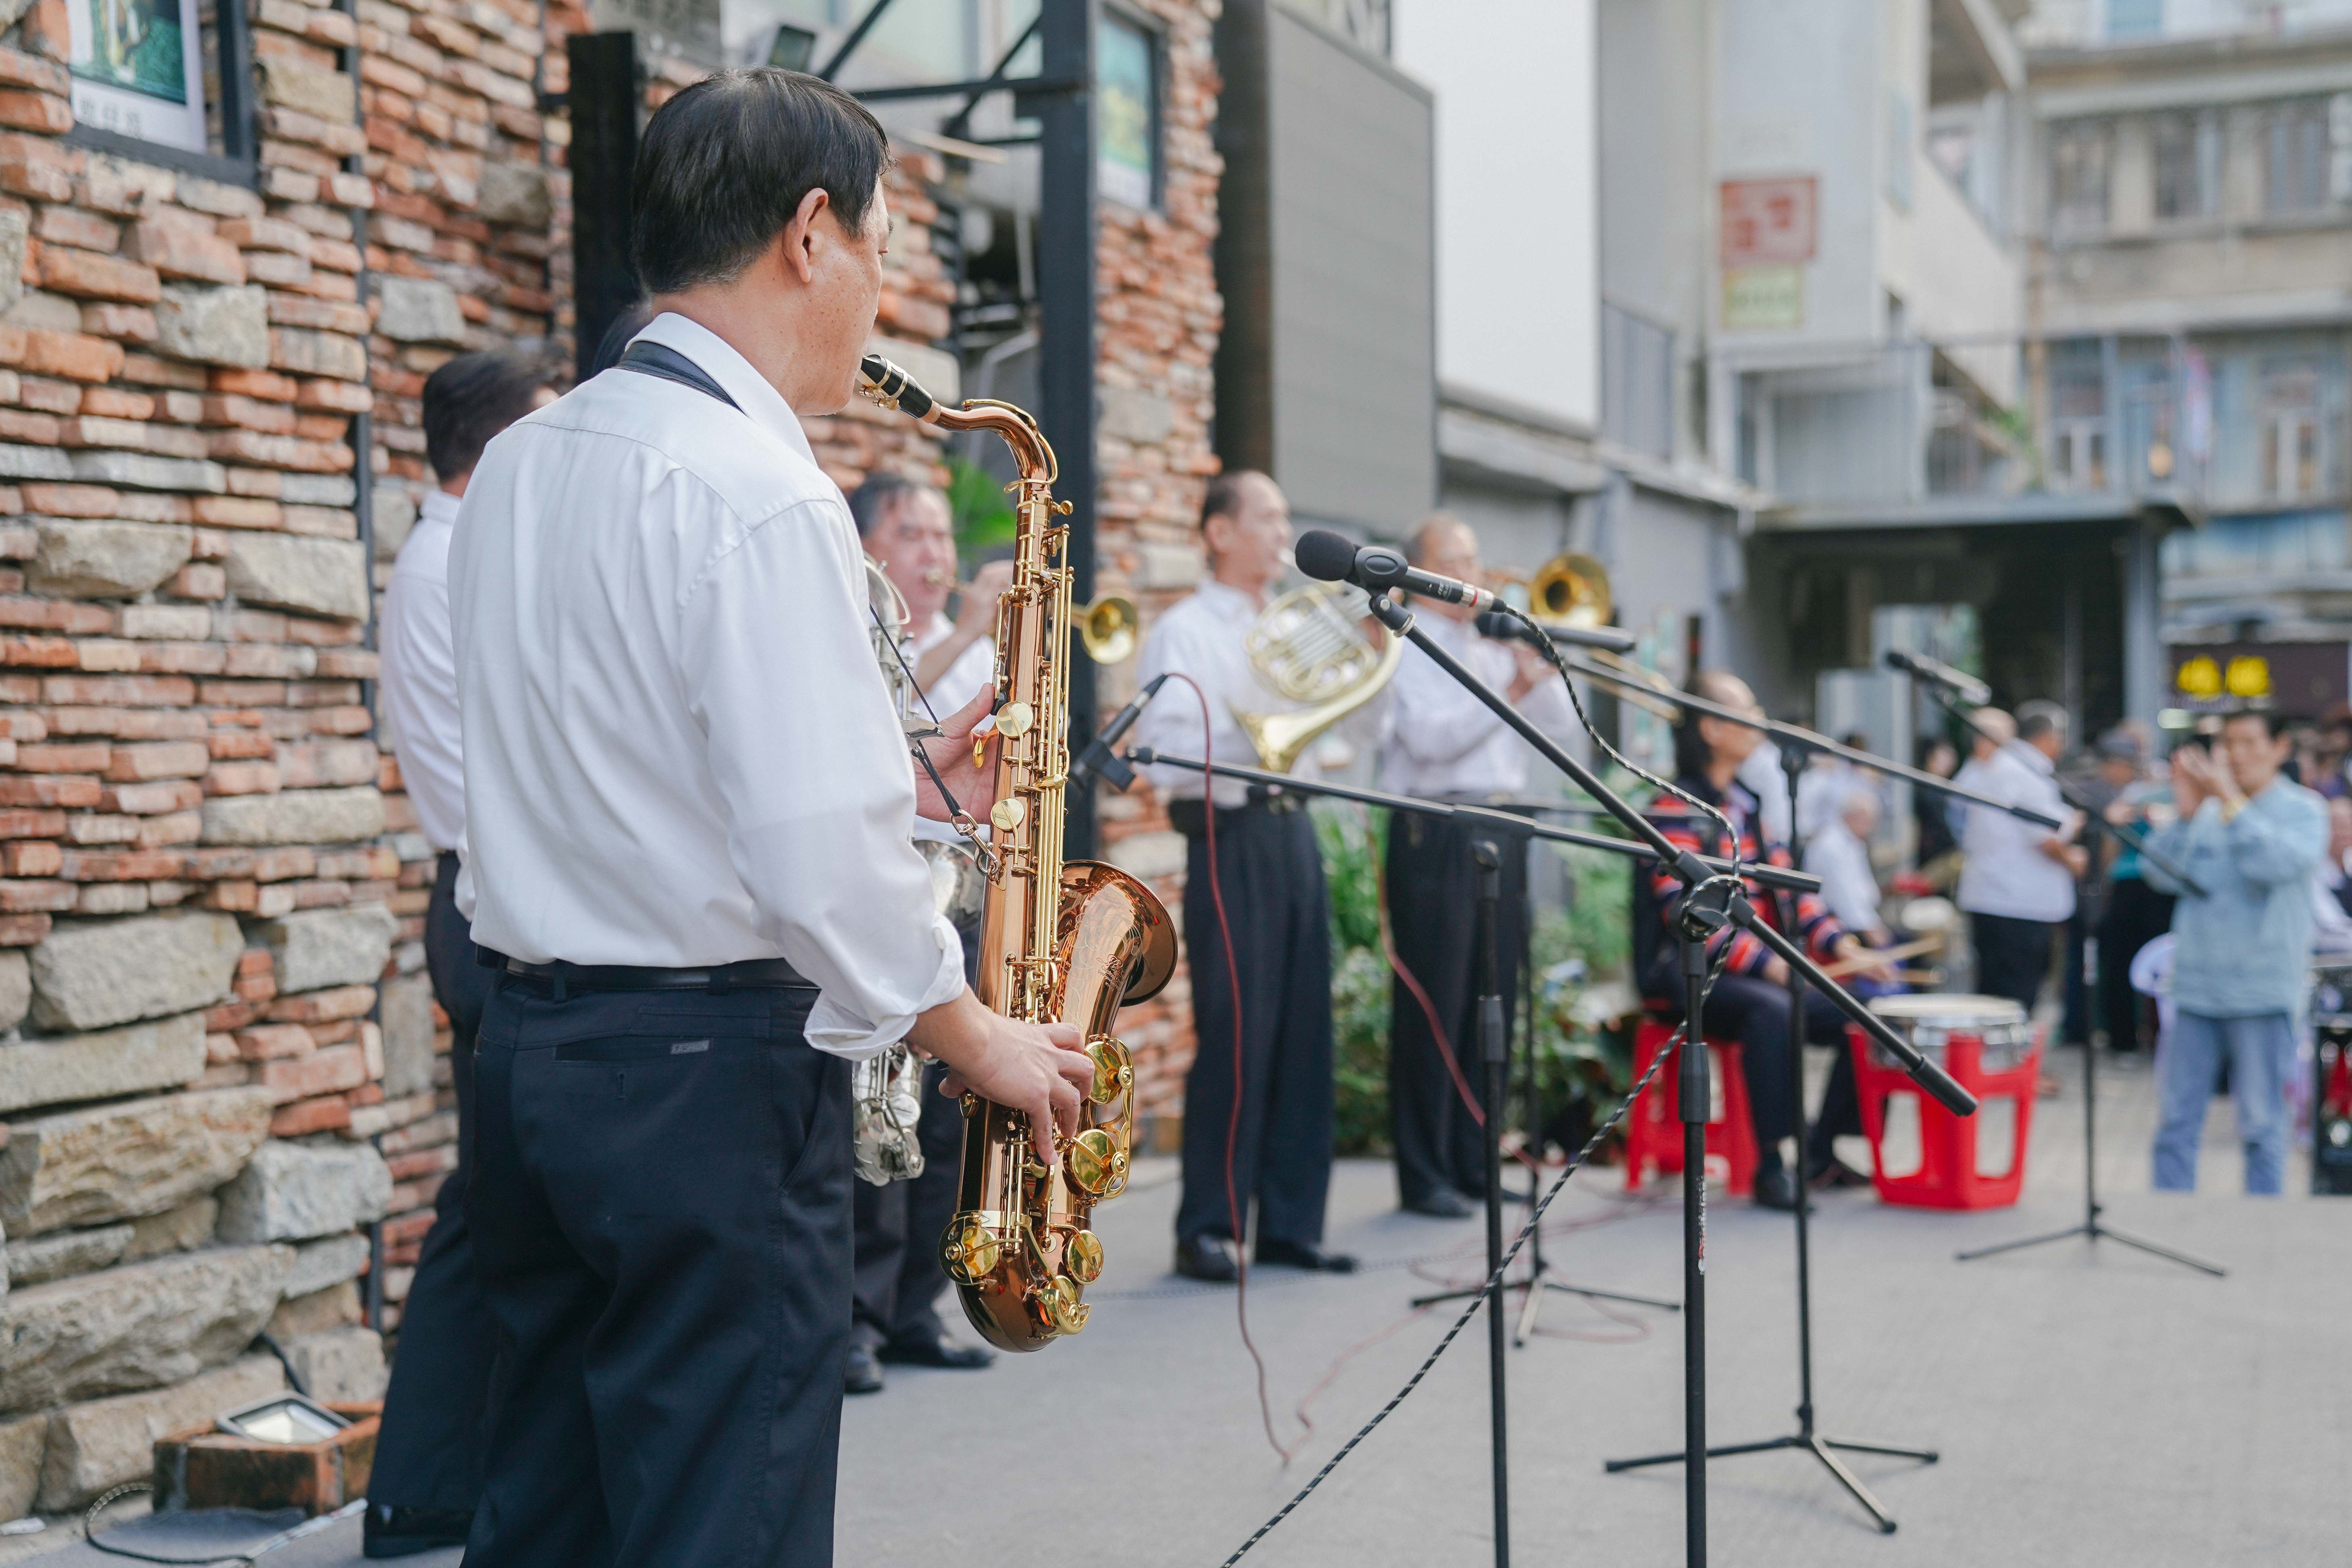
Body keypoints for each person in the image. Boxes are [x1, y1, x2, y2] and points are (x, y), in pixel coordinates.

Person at [447, 70, 1094, 1567]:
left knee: (547, 1511)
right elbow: (811, 855)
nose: (882, 292)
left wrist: (923, 781)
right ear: (811, 235)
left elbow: (631, 770)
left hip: (533, 1055)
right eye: (878, 246)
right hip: (707, 1085)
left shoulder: (527, 464)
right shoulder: (759, 489)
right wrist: (977, 1033)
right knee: (719, 1520)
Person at [364, 354, 552, 1559]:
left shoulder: (455, 557)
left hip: (491, 901)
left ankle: (442, 1480)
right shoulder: (449, 568)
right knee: (492, 1209)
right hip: (492, 911)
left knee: (500, 1205)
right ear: (492, 454)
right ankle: (423, 1489)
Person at [1131, 469, 1356, 1281]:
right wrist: (1261, 734)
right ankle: (1210, 1226)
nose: (1279, 531)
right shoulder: (1186, 629)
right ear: (1218, 532)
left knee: (1302, 1027)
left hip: (1291, 825)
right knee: (1237, 1026)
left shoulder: (1290, 621)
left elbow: (1331, 729)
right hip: (1228, 831)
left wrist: (1299, 732)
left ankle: (1293, 1222)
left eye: (1283, 516)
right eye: (1265, 516)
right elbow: (1168, 745)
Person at [837, 472, 1009, 1394]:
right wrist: (974, 630)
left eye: (942, 536)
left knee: (947, 1111)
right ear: (869, 551)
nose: (936, 554)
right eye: (912, 535)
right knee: (880, 1108)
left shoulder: (961, 646)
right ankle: (855, 1320)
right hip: (890, 888)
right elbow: (891, 731)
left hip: (960, 881)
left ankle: (914, 1304)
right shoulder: (866, 636)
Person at [1375, 514, 1577, 1218]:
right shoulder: (1405, 641)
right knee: (1438, 1001)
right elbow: (1431, 742)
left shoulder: (1493, 644)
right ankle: (1425, 1170)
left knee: (1494, 999)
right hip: (1438, 827)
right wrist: (1512, 695)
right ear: (1420, 571)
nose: (1472, 574)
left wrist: (1536, 666)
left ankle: (1475, 1159)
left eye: (1474, 557)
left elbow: (1559, 725)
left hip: (1504, 821)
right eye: (1454, 561)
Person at [1637, 671, 1894, 1209]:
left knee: (1872, 1008)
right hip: (1684, 971)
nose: (1759, 720)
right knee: (1773, 1008)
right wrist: (1772, 965)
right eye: (1747, 709)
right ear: (1711, 727)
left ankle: (1821, 1151)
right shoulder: (1673, 810)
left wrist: (1843, 944)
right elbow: (1689, 918)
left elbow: (1791, 893)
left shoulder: (1748, 806)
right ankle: (1771, 1163)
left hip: (1754, 968)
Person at [2143, 711, 2326, 1194]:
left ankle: (2261, 1231)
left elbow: (2274, 865)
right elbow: (2159, 876)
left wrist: (2229, 801)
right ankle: (2168, 1217)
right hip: (2197, 986)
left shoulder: (2304, 810)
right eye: (2228, 743)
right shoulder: (2202, 813)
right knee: (2177, 1121)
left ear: (2279, 747)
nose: (2236, 754)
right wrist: (2183, 816)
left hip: (2262, 990)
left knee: (2263, 1124)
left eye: (2249, 742)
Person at [1955, 702, 2081, 1020]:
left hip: (2000, 898)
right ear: (2049, 737)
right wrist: (2075, 857)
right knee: (2013, 998)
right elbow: (2046, 838)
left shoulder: (1998, 767)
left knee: (1997, 995)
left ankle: (2000, 1065)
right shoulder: (2022, 771)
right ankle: (2008, 1067)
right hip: (2016, 903)